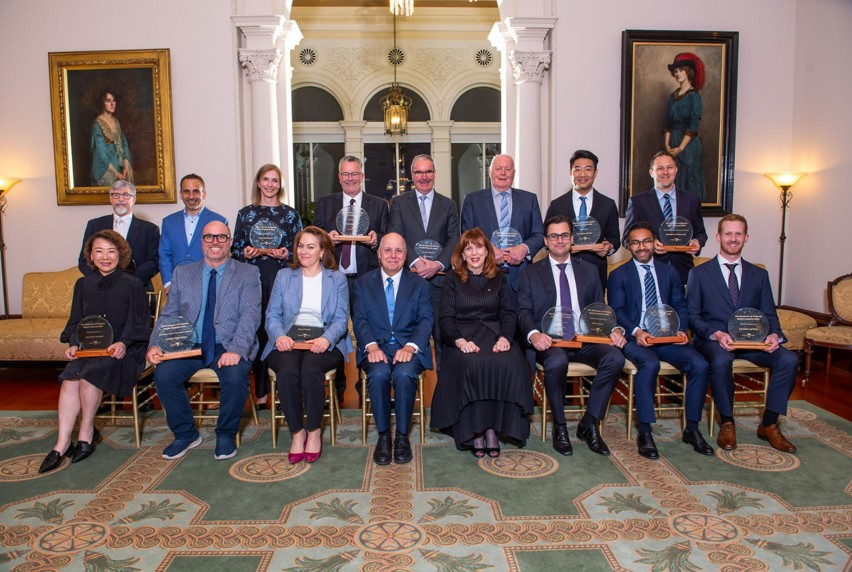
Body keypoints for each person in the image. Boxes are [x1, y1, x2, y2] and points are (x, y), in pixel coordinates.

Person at [147, 221, 261, 461]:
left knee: (234, 375)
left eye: (221, 237)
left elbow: (250, 315)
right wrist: (155, 343)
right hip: (189, 346)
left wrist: (238, 350)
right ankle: (186, 433)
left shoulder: (247, 273)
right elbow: (169, 314)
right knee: (164, 375)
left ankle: (225, 434)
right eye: (209, 237)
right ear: (202, 241)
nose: (215, 242)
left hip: (228, 344)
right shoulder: (183, 273)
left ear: (229, 241)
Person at [40, 230, 150, 473]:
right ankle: (62, 443)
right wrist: (72, 344)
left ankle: (86, 433)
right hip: (89, 351)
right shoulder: (83, 284)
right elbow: (75, 322)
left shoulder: (132, 284)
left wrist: (123, 343)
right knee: (69, 379)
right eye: (99, 251)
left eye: (111, 251)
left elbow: (140, 323)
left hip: (122, 352)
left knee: (89, 377)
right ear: (91, 255)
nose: (105, 257)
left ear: (120, 254)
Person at [687, 214, 799, 453]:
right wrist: (716, 334)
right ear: (718, 237)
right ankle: (727, 422)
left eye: (738, 234)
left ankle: (769, 424)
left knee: (789, 359)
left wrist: (774, 335)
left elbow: (769, 313)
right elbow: (692, 316)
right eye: (728, 233)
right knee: (720, 360)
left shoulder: (758, 274)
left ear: (746, 238)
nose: (733, 238)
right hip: (715, 341)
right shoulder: (700, 273)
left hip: (752, 342)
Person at [517, 215, 626, 457]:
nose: (559, 240)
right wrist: (534, 335)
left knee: (615, 358)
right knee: (557, 362)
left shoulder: (588, 271)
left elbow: (600, 309)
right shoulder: (531, 273)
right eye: (554, 236)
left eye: (564, 235)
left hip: (584, 338)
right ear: (545, 240)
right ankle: (560, 426)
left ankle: (589, 423)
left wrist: (614, 329)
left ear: (572, 239)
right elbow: (523, 312)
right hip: (551, 340)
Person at [608, 222, 715, 458]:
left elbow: (679, 304)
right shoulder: (618, 275)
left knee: (700, 364)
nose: (641, 247)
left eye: (646, 241)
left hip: (668, 336)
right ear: (629, 246)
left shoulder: (669, 272)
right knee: (650, 364)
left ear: (654, 243)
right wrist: (637, 331)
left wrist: (681, 329)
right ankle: (645, 432)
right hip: (638, 338)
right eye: (635, 242)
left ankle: (693, 428)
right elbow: (617, 310)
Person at [430, 228, 533, 457]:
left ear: (487, 251)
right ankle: (474, 431)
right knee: (471, 364)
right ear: (462, 255)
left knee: (508, 362)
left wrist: (505, 338)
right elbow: (445, 317)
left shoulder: (500, 278)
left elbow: (508, 313)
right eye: (468, 248)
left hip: (495, 333)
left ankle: (492, 429)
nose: (474, 252)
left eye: (478, 247)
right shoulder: (451, 279)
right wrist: (459, 341)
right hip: (462, 336)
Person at [262, 226, 353, 464]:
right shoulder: (284, 276)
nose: (304, 251)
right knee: (289, 371)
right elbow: (271, 315)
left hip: (324, 342)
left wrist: (326, 339)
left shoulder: (337, 279)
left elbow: (341, 319)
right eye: (301, 246)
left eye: (311, 247)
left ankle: (313, 431)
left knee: (311, 370)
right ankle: (297, 432)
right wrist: (279, 336)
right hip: (287, 342)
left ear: (323, 251)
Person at [352, 233, 434, 465]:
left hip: (408, 347)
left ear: (406, 255)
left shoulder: (419, 284)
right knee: (378, 375)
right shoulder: (363, 283)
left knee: (404, 374)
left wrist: (410, 346)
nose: (393, 256)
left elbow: (426, 320)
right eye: (388, 250)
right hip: (375, 346)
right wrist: (370, 346)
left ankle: (402, 437)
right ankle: (384, 436)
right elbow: (359, 320)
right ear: (378, 253)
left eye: (399, 251)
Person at [313, 155, 387, 399]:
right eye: (345, 174)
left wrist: (378, 240)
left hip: (365, 279)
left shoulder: (378, 205)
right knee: (332, 330)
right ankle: (337, 388)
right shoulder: (325, 204)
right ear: (339, 177)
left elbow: (388, 240)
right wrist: (327, 238)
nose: (350, 178)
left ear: (362, 176)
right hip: (333, 278)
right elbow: (313, 240)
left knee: (368, 329)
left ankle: (365, 386)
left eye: (355, 174)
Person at [231, 164, 303, 407]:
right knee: (259, 334)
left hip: (283, 280)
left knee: (283, 333)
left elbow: (302, 251)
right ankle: (261, 394)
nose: (271, 184)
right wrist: (247, 253)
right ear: (259, 182)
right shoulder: (245, 214)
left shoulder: (290, 215)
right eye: (266, 179)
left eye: (275, 180)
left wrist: (286, 255)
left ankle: (286, 392)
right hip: (253, 280)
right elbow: (235, 250)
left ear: (280, 184)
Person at [388, 154, 459, 371]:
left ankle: (446, 392)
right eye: (419, 172)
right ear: (412, 176)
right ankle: (407, 382)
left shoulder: (448, 205)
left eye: (428, 171)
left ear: (435, 174)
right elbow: (396, 235)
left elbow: (454, 238)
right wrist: (417, 261)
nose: (424, 176)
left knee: (443, 339)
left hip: (440, 284)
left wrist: (438, 264)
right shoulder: (399, 203)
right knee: (407, 338)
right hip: (410, 281)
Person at [460, 154, 544, 304]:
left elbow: (539, 234)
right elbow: (466, 235)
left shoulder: (529, 199)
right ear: (490, 172)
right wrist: (489, 251)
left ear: (514, 173)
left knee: (521, 325)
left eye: (508, 169)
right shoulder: (472, 200)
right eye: (498, 169)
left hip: (521, 278)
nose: (503, 173)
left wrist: (523, 249)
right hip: (484, 277)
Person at [623, 151, 707, 286]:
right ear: (651, 172)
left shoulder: (692, 200)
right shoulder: (638, 202)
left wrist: (697, 242)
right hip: (649, 272)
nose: (665, 172)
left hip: (683, 271)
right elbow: (626, 238)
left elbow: (700, 232)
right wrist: (648, 245)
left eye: (670, 167)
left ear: (676, 170)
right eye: (660, 168)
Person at [544, 150, 619, 291]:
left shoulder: (608, 204)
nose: (582, 174)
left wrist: (608, 247)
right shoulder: (557, 205)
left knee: (593, 311)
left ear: (595, 173)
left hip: (595, 270)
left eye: (588, 169)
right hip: (562, 270)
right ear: (570, 173)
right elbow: (546, 238)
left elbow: (615, 237)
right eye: (577, 169)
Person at [77, 180, 160, 293]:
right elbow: (84, 259)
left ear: (134, 200)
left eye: (126, 195)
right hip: (100, 290)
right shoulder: (94, 225)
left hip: (137, 289)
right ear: (110, 199)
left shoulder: (150, 229)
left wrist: (129, 282)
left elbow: (154, 261)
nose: (120, 199)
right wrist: (101, 281)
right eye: (116, 195)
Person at [159, 174, 228, 292]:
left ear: (204, 194)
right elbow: (164, 255)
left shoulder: (219, 221)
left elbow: (223, 255)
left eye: (196, 191)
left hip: (209, 284)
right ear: (181, 194)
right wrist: (168, 283)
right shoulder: (168, 222)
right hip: (176, 287)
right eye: (186, 191)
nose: (191, 196)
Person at [665, 53, 706, 201]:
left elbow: (694, 124)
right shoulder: (673, 96)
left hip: (688, 144)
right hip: (673, 140)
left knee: (688, 179)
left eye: (680, 70)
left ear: (688, 72)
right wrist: (667, 144)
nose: (677, 74)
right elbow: (668, 122)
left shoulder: (694, 96)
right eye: (675, 71)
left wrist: (681, 148)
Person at [90, 90, 133, 186]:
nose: (112, 104)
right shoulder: (97, 124)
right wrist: (116, 173)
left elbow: (124, 143)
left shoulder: (116, 121)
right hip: (106, 169)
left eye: (114, 100)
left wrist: (126, 163)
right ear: (102, 103)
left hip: (121, 166)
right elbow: (100, 153)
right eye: (108, 101)